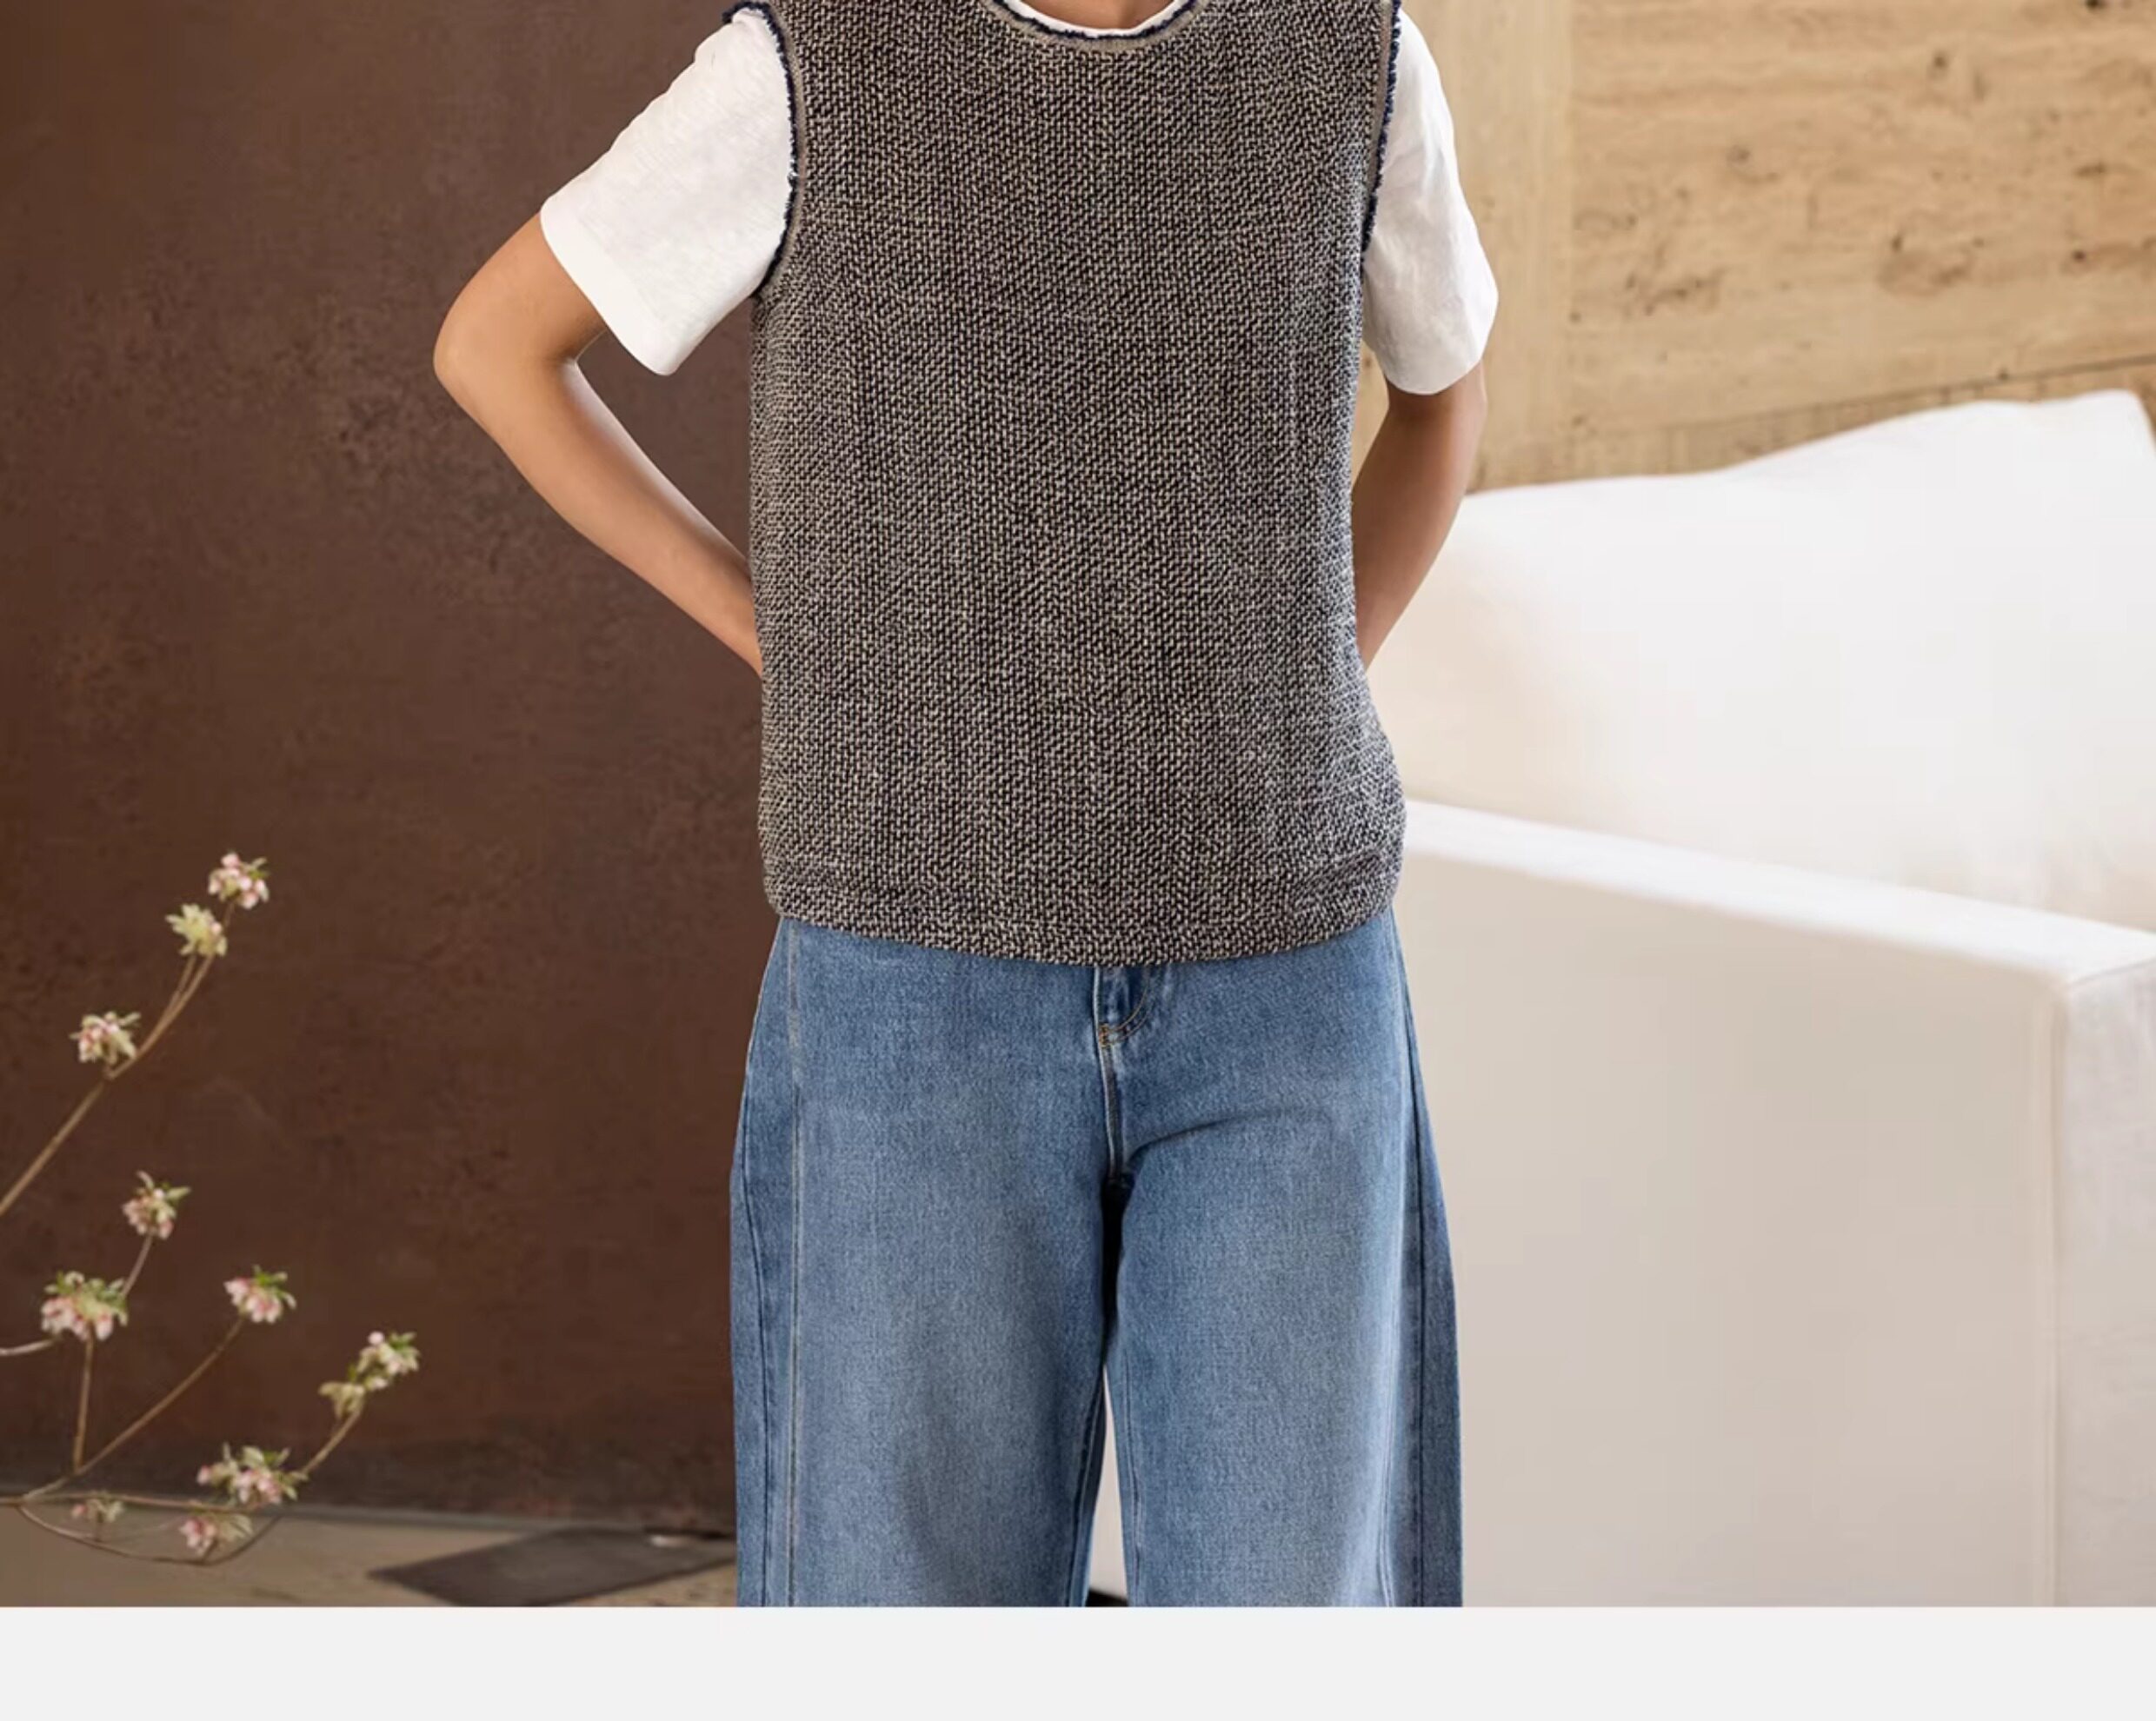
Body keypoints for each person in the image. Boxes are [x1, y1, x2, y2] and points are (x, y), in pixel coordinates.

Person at [435, 0, 1496, 1606]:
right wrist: (779, 635)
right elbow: (496, 347)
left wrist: (1308, 669)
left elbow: (1443, 396)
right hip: (915, 991)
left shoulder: (1351, 53)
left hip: (1286, 988)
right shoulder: (816, 60)